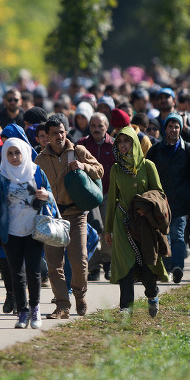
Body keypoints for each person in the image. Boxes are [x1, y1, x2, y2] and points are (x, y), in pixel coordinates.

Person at [0, 138, 56, 329]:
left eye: (17, 152)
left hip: (34, 230)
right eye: (10, 153)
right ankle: (22, 312)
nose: (14, 157)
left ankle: (35, 309)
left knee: (33, 271)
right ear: (5, 156)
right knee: (16, 273)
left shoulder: (37, 172)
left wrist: (47, 196)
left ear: (25, 152)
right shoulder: (1, 178)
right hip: (10, 233)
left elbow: (51, 197)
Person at [34, 117, 104, 319]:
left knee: (79, 260)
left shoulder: (78, 151)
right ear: (46, 136)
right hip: (53, 217)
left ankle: (80, 296)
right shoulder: (40, 160)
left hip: (77, 215)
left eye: (62, 131)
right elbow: (33, 185)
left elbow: (99, 170)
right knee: (54, 265)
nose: (59, 136)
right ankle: (62, 305)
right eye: (55, 133)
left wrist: (83, 167)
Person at [103, 128, 168, 316]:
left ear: (135, 143)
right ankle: (126, 308)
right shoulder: (116, 169)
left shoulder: (148, 166)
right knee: (126, 264)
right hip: (122, 221)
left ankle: (152, 294)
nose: (123, 145)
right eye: (120, 141)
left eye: (127, 141)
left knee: (146, 263)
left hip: (145, 223)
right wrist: (108, 229)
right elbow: (112, 199)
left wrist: (146, 208)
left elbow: (160, 194)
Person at [146, 112, 190, 283]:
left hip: (181, 202)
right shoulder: (155, 150)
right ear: (165, 129)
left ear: (180, 129)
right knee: (164, 236)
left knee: (178, 235)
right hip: (160, 203)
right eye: (170, 126)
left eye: (177, 126)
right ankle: (166, 268)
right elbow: (146, 175)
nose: (173, 129)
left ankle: (178, 267)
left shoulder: (188, 150)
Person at [77, 111, 115, 281]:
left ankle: (108, 264)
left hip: (108, 194)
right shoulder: (81, 145)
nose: (97, 129)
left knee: (108, 230)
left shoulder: (114, 145)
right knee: (90, 230)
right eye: (93, 125)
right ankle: (93, 268)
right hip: (88, 195)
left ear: (106, 127)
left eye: (100, 126)